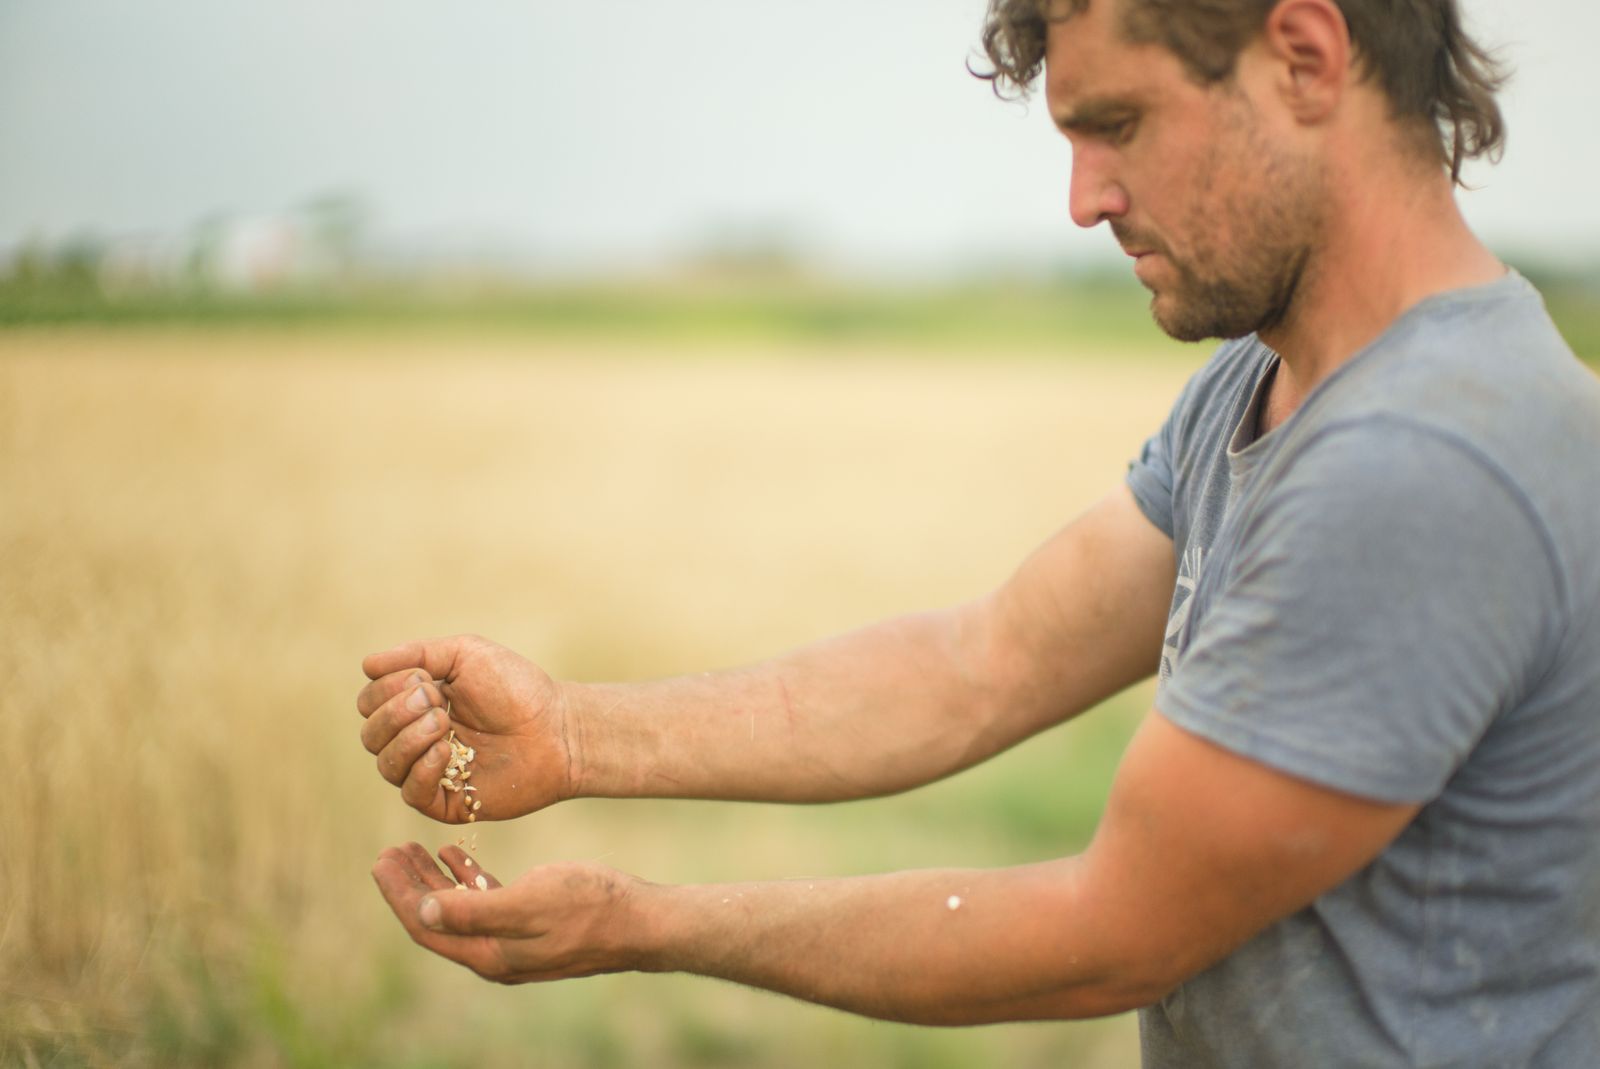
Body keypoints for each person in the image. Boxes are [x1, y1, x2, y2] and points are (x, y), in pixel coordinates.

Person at [355, 0, 1600, 1064]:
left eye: (1118, 124)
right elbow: (981, 662)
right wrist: (577, 736)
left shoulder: (1423, 463)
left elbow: (1111, 932)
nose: (1082, 200)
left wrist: (643, 921)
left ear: (1307, 57)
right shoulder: (1276, 384)